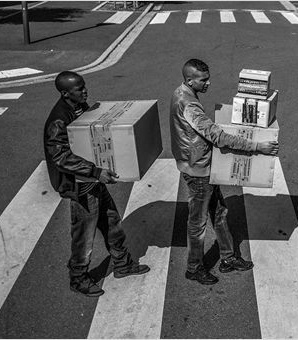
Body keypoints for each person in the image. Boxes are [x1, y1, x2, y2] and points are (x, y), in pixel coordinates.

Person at [170, 59, 279, 285]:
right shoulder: (189, 105)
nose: (208, 83)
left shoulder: (182, 93)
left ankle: (228, 258)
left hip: (203, 166)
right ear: (190, 80)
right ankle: (194, 268)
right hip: (198, 171)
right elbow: (217, 137)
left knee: (219, 213)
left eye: (208, 77)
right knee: (198, 223)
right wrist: (257, 146)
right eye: (203, 80)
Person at [43, 71, 150, 298]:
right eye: (79, 88)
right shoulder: (59, 120)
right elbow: (60, 157)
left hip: (92, 180)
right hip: (80, 187)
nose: (85, 90)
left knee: (112, 224)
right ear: (65, 93)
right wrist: (95, 171)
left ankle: (122, 265)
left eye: (84, 86)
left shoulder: (80, 106)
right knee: (84, 235)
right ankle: (78, 278)